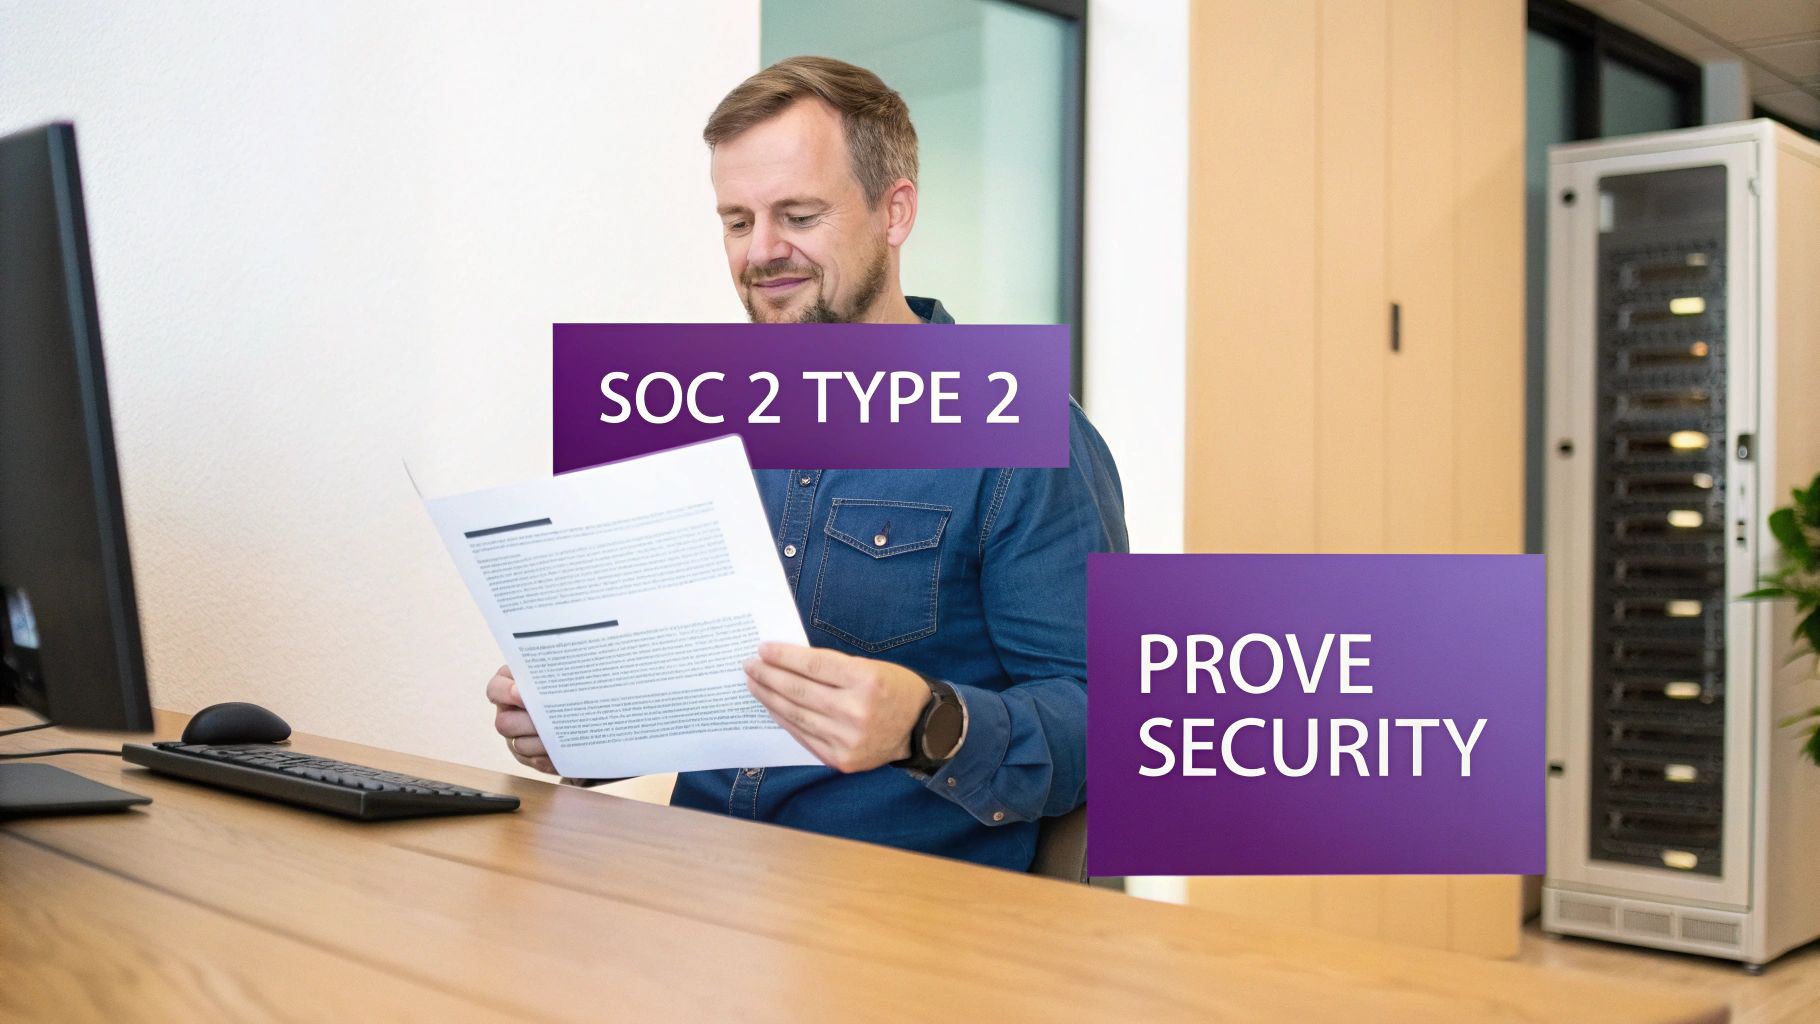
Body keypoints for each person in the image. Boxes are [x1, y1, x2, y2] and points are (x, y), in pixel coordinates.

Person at [487, 55, 1126, 871]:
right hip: (700, 889)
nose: (762, 252)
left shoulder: (1026, 434)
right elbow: (682, 694)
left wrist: (928, 724)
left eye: (798, 213)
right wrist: (573, 722)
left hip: (902, 925)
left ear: (894, 213)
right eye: (736, 220)